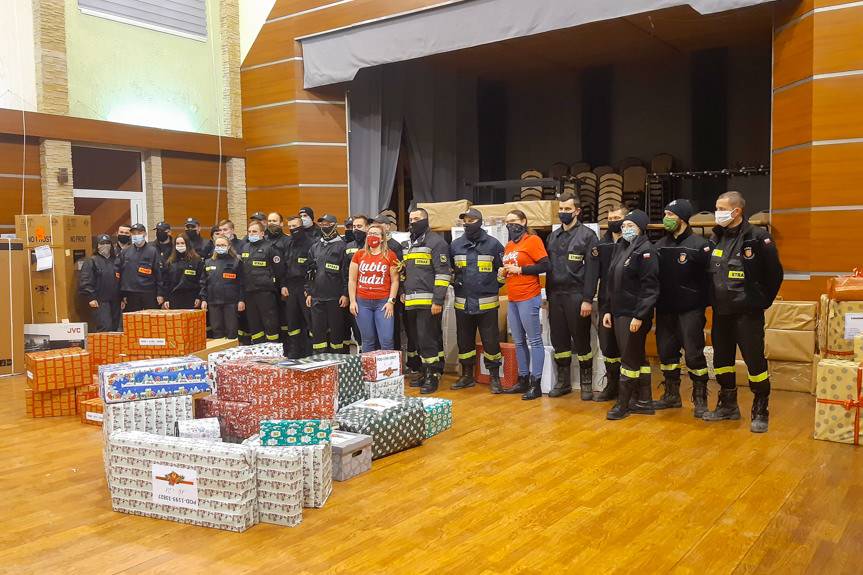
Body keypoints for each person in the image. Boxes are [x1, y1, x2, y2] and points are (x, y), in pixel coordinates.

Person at [705, 191, 783, 433]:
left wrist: (760, 301)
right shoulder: (716, 237)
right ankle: (728, 405)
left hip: (747, 313)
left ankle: (760, 409)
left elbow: (774, 274)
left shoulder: (758, 237)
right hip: (721, 312)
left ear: (736, 211)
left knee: (754, 362)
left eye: (721, 208)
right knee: (721, 362)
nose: (717, 212)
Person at [653, 199, 711, 416]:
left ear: (683, 218)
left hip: (691, 310)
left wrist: (703, 302)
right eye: (666, 214)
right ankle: (671, 394)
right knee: (666, 353)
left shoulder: (701, 245)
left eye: (671, 214)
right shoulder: (659, 246)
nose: (666, 218)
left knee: (693, 354)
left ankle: (700, 398)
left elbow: (711, 279)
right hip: (665, 309)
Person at [601, 210, 659, 420]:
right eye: (624, 225)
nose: (625, 229)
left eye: (630, 226)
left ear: (641, 228)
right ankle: (644, 401)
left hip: (633, 315)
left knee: (629, 359)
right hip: (618, 312)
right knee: (637, 357)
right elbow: (610, 283)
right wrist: (607, 309)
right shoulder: (621, 247)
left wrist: (640, 315)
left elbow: (650, 288)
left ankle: (623, 404)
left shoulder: (646, 251)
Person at [545, 192, 600, 400]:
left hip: (577, 296)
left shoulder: (587, 236)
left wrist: (588, 299)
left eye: (567, 209)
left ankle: (586, 383)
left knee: (581, 340)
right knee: (559, 340)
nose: (563, 213)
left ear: (577, 211)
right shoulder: (552, 236)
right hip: (556, 296)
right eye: (561, 209)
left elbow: (593, 272)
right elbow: (548, 269)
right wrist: (548, 298)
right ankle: (563, 381)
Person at [449, 208, 505, 393]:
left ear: (480, 222)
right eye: (464, 220)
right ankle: (467, 375)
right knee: (464, 341)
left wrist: (493, 286)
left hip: (486, 304)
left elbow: (503, 272)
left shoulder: (494, 245)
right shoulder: (455, 245)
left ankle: (494, 377)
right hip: (462, 303)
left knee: (491, 342)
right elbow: (450, 271)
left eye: (471, 220)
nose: (467, 223)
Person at [500, 209, 549, 400]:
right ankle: (523, 379)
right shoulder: (509, 245)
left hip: (528, 296)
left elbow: (546, 265)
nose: (510, 224)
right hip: (512, 297)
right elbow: (510, 268)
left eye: (513, 220)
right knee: (518, 341)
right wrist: (504, 272)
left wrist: (520, 269)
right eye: (507, 221)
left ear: (523, 221)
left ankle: (535, 383)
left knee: (534, 341)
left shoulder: (533, 241)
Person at [403, 207, 451, 394]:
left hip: (429, 301)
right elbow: (406, 271)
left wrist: (438, 301)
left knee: (427, 339)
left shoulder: (436, 243)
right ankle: (426, 370)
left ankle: (432, 376)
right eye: (410, 219)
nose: (412, 222)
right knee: (417, 339)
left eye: (416, 219)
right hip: (411, 301)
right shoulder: (410, 243)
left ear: (425, 220)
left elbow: (443, 274)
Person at [348, 221, 400, 352]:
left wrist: (391, 301)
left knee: (386, 340)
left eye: (376, 234)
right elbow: (352, 280)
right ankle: (369, 371)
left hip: (383, 303)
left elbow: (395, 281)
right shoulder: (359, 255)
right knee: (368, 340)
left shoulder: (390, 255)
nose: (372, 236)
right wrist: (353, 301)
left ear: (382, 238)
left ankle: (388, 371)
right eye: (370, 233)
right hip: (362, 303)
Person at [593, 204, 626, 402]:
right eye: (610, 218)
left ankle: (629, 389)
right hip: (606, 305)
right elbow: (593, 275)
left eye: (617, 217)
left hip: (626, 306)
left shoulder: (634, 244)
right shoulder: (601, 245)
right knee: (608, 348)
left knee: (628, 350)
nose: (613, 221)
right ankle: (612, 385)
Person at [305, 214, 350, 354]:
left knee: (337, 334)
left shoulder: (343, 246)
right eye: (322, 225)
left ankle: (338, 363)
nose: (324, 227)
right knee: (318, 333)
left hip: (335, 298)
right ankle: (319, 363)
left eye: (327, 224)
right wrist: (309, 293)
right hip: (317, 298)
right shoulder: (314, 247)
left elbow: (346, 273)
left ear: (335, 225)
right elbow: (309, 272)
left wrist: (345, 294)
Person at [239, 219, 285, 344]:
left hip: (265, 292)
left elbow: (279, 270)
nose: (251, 234)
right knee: (254, 323)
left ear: (262, 233)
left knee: (270, 322)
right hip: (249, 292)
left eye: (254, 231)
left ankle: (274, 349)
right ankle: (258, 348)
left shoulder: (270, 248)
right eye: (249, 231)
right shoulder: (245, 248)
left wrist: (280, 286)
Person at [200, 235, 245, 339]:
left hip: (231, 302)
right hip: (213, 302)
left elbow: (242, 282)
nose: (220, 247)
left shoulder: (236, 262)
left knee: (232, 331)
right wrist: (203, 299)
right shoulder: (208, 262)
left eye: (223, 245)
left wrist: (241, 300)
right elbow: (203, 282)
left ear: (229, 246)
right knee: (217, 330)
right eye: (218, 245)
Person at [282, 215, 314, 358]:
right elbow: (283, 266)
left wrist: (309, 288)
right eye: (290, 227)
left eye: (295, 226)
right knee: (292, 319)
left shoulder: (311, 243)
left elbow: (313, 268)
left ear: (301, 226)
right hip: (290, 286)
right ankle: (295, 351)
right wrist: (283, 285)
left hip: (305, 286)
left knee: (309, 319)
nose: (293, 229)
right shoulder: (288, 243)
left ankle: (310, 351)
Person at [115, 223, 164, 312]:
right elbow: (121, 274)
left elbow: (159, 274)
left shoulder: (153, 251)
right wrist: (122, 295)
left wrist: (160, 294)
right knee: (133, 322)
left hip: (149, 293)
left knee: (151, 321)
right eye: (134, 233)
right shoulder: (125, 252)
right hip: (131, 294)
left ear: (144, 234)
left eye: (139, 233)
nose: (136, 235)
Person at [78, 234, 120, 332]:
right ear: (97, 246)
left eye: (107, 243)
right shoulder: (91, 261)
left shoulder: (116, 261)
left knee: (115, 327)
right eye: (102, 243)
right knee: (105, 327)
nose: (105, 245)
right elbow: (85, 281)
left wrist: (122, 298)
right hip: (100, 301)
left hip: (115, 301)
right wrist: (91, 297)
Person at [163, 235, 204, 310]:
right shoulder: (170, 261)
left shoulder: (196, 260)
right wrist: (166, 299)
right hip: (174, 297)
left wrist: (199, 297)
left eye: (182, 243)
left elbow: (201, 280)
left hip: (192, 298)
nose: (180, 245)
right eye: (177, 243)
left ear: (187, 244)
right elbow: (166, 282)